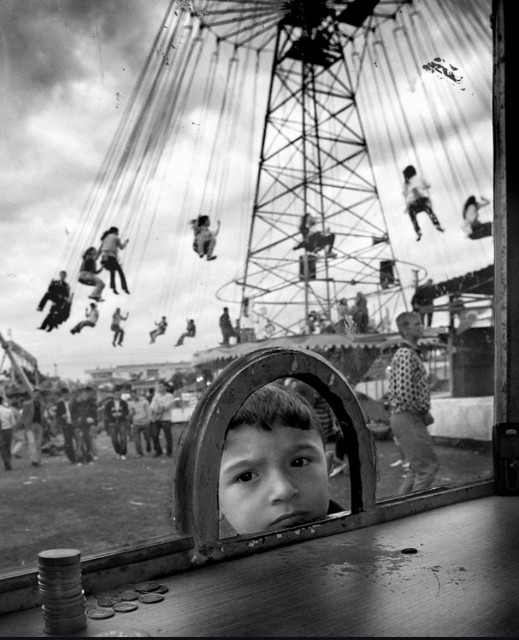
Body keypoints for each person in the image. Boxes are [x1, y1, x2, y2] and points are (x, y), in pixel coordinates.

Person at [218, 383, 341, 537]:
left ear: (327, 470)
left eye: (299, 462)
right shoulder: (223, 561)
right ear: (213, 503)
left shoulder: (364, 537)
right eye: (246, 476)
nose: (284, 491)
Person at [388, 311, 439, 494]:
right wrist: (423, 411)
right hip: (408, 416)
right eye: (417, 324)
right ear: (405, 329)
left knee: (416, 469)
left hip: (407, 416)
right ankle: (417, 515)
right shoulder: (405, 354)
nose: (421, 327)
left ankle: (401, 511)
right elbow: (404, 393)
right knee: (427, 469)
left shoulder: (409, 353)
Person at [402, 165, 445, 241]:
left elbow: (404, 194)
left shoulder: (405, 183)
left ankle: (418, 231)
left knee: (412, 217)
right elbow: (428, 185)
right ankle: (437, 225)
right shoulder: (419, 177)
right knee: (430, 212)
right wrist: (421, 187)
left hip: (412, 203)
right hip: (422, 200)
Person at [21, 388, 48, 467]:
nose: (37, 396)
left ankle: (38, 460)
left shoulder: (43, 405)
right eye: (35, 394)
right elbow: (23, 416)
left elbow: (43, 415)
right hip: (30, 425)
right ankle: (34, 460)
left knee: (39, 444)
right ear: (32, 394)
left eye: (38, 394)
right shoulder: (27, 404)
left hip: (39, 425)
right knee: (32, 443)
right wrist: (25, 424)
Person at [99, 226, 130, 295]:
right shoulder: (116, 238)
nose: (118, 233)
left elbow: (101, 248)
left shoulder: (105, 238)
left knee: (112, 271)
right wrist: (126, 242)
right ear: (115, 231)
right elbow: (121, 247)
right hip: (111, 257)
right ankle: (124, 287)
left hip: (104, 258)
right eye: (117, 232)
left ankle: (113, 287)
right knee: (120, 272)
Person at [70, 387, 95, 465]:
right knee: (80, 443)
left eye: (87, 395)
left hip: (86, 426)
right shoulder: (73, 405)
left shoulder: (87, 404)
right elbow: (75, 417)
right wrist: (85, 420)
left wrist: (92, 419)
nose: (86, 396)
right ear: (80, 395)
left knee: (88, 442)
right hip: (77, 426)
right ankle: (79, 460)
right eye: (84, 395)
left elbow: (92, 414)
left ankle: (89, 458)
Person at [149, 381, 174, 458]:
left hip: (166, 418)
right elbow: (152, 407)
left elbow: (166, 406)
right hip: (157, 418)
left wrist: (158, 405)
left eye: (162, 386)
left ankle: (169, 451)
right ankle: (158, 450)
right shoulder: (156, 396)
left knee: (168, 436)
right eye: (159, 387)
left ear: (165, 387)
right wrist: (158, 406)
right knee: (154, 435)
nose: (160, 388)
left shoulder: (170, 396)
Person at [104, 388, 130, 460]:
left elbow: (126, 412)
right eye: (116, 394)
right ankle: (118, 452)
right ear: (113, 395)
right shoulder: (109, 403)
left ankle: (123, 453)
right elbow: (106, 412)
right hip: (112, 422)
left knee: (123, 438)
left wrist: (121, 414)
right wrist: (112, 415)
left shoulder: (124, 403)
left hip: (122, 422)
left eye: (118, 394)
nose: (117, 396)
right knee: (114, 439)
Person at [55, 387, 78, 464]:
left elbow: (78, 412)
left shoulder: (74, 402)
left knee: (79, 440)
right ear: (62, 396)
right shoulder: (60, 404)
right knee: (68, 443)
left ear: (69, 394)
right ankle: (72, 458)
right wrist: (61, 416)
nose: (65, 396)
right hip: (66, 425)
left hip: (75, 424)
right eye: (64, 395)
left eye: (67, 395)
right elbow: (57, 415)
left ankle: (81, 456)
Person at [129, 388, 151, 457]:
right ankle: (139, 453)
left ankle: (148, 447)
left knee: (147, 437)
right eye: (132, 396)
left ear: (137, 394)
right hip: (136, 423)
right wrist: (131, 414)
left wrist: (148, 420)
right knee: (136, 440)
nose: (134, 397)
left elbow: (148, 412)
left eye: (134, 395)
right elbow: (131, 413)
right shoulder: (131, 403)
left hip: (145, 423)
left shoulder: (145, 402)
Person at [0, 397, 16, 471]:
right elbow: (13, 423)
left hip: (1, 430)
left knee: (2, 448)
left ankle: (7, 463)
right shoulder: (8, 410)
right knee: (7, 447)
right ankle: (8, 462)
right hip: (8, 430)